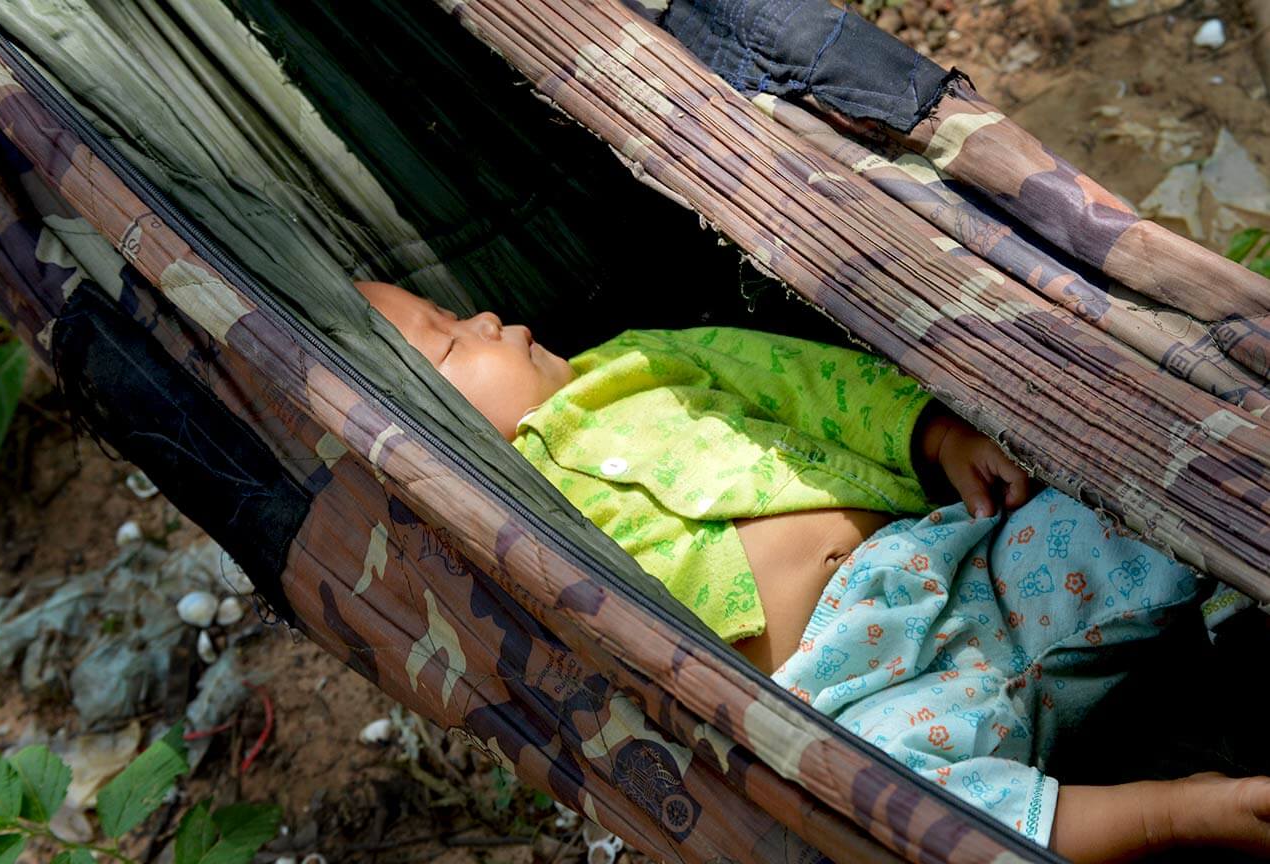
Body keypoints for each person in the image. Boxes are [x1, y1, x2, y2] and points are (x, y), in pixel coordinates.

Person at [355, 280, 1270, 862]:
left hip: (953, 561)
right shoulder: (500, 525)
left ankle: (1230, 589)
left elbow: (807, 385)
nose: (478, 316)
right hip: (838, 695)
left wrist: (934, 434)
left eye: (450, 309)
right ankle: (1179, 813)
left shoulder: (642, 364)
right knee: (906, 818)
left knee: (1114, 512)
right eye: (444, 339)